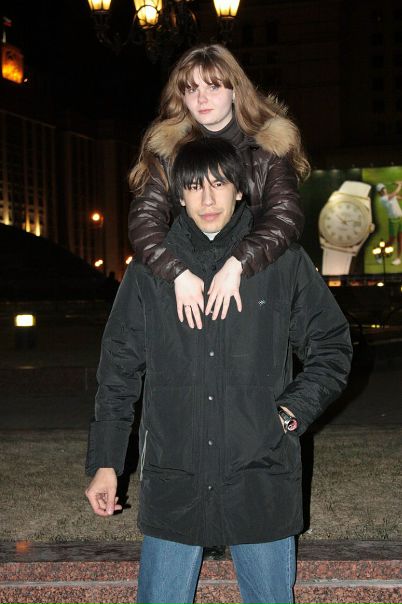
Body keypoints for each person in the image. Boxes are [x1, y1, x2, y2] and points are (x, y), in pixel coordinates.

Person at [85, 138, 352, 604]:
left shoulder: (282, 264)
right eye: (194, 187)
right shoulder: (149, 274)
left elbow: (332, 346)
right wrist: (106, 462)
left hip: (260, 475)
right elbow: (118, 373)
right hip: (175, 475)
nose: (207, 199)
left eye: (219, 184)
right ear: (178, 196)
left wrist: (290, 413)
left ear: (241, 190)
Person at [128, 43, 309, 331]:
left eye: (213, 87)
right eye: (191, 89)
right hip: (190, 278)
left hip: (255, 275)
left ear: (235, 90)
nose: (202, 98)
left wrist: (238, 263)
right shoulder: (168, 151)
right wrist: (177, 272)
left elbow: (285, 215)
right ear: (182, 97)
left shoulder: (268, 148)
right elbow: (144, 219)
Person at [376, 182, 402, 265]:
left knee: (400, 240)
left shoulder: (391, 196)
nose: (384, 190)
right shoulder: (383, 199)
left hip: (400, 219)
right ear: (379, 193)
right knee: (391, 241)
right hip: (393, 221)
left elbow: (399, 197)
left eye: (384, 188)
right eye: (381, 190)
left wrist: (399, 186)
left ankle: (398, 258)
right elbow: (395, 193)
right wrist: (400, 185)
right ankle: (379, 254)